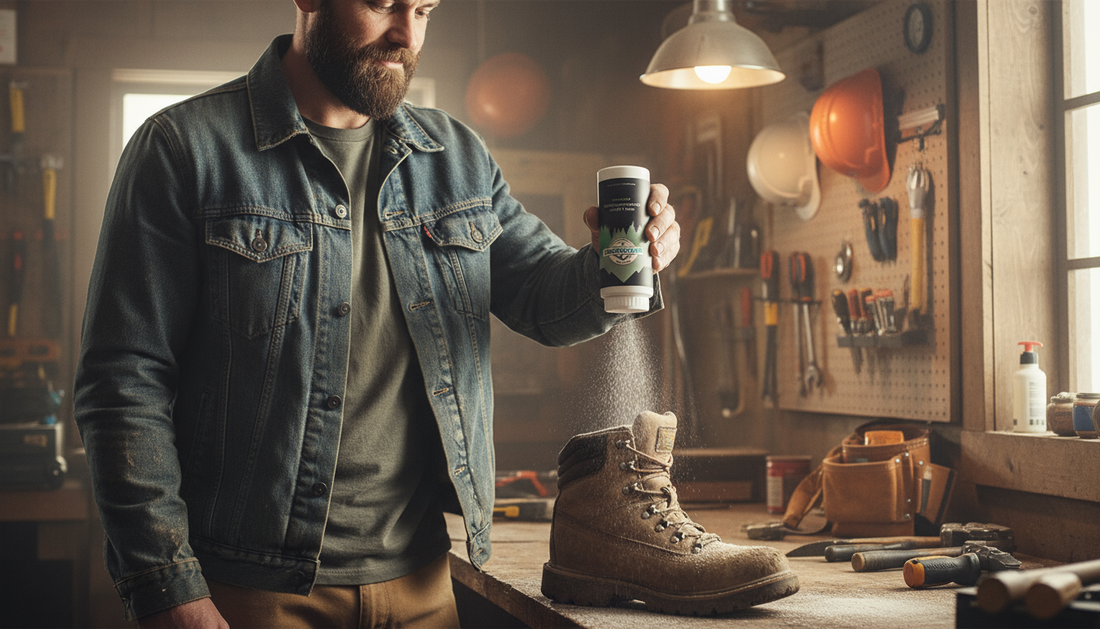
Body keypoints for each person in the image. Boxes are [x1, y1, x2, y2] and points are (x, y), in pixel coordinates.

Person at [74, 0, 681, 627]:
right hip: (251, 589)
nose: (405, 34)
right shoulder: (183, 149)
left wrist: (631, 258)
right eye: (382, 4)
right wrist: (169, 592)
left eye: (422, 10)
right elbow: (122, 386)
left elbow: (546, 299)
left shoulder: (456, 158)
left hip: (422, 583)